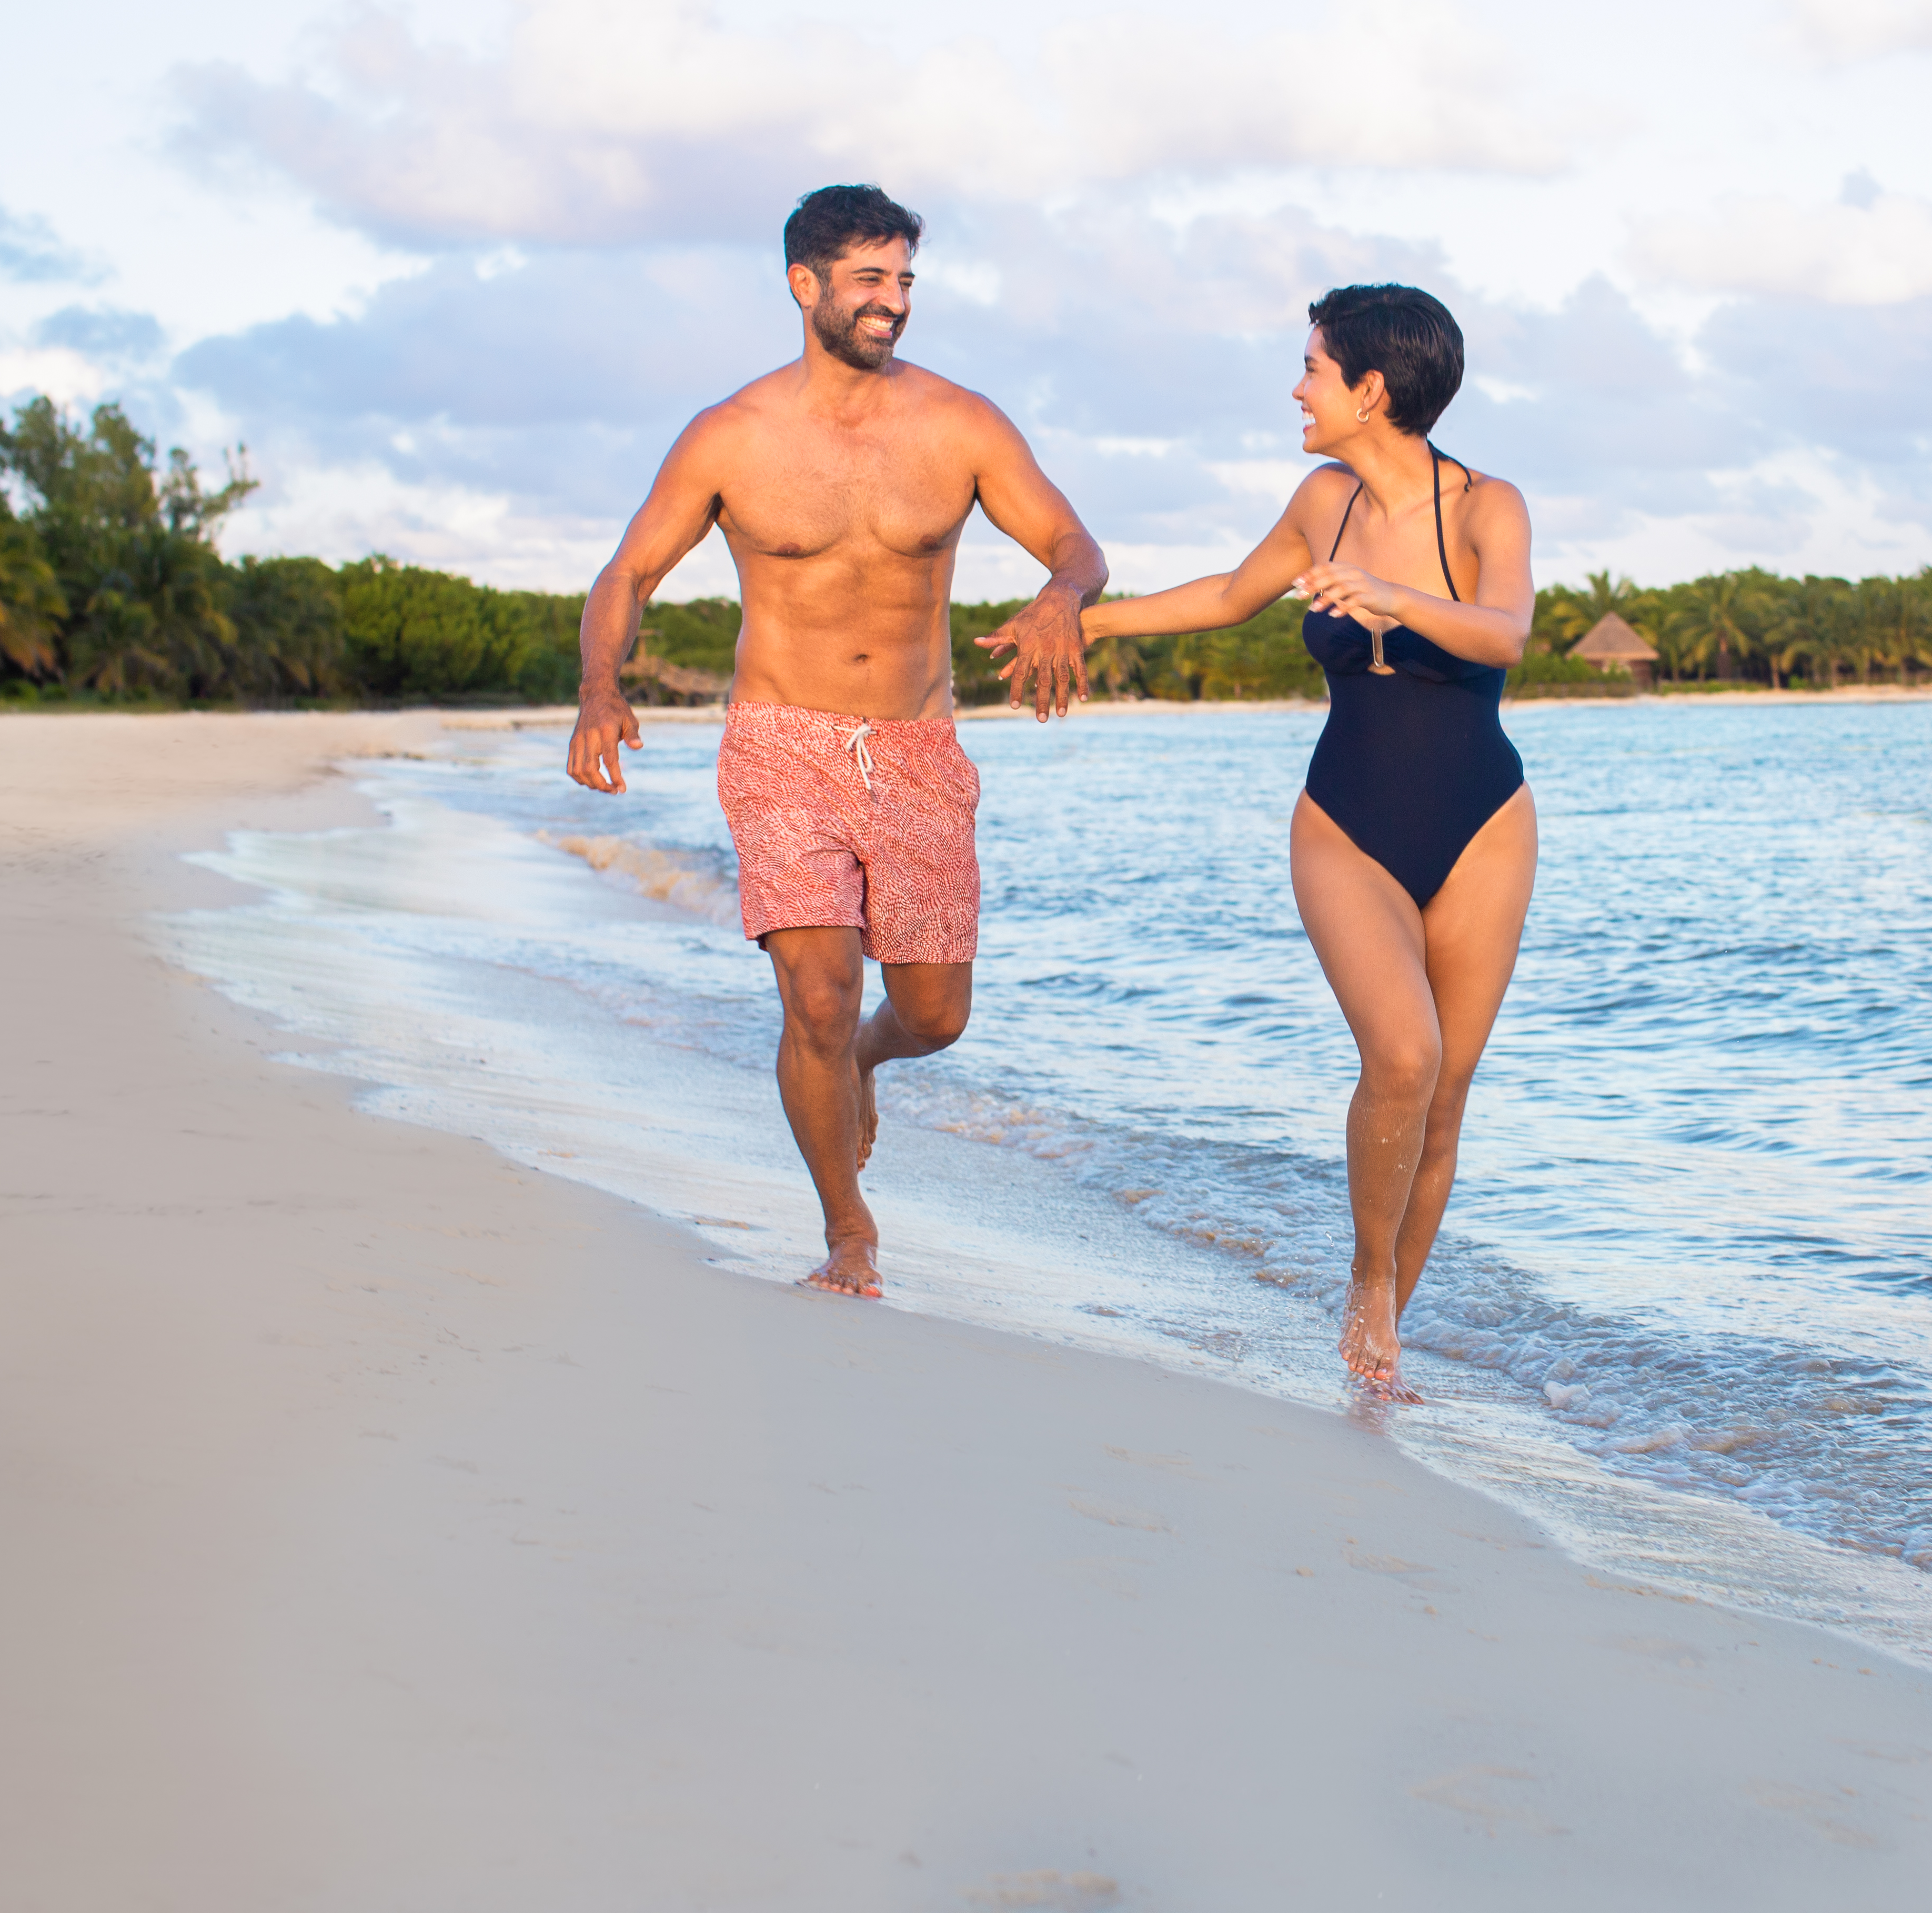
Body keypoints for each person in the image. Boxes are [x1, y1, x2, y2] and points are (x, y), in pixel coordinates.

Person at [567, 184, 1105, 1298]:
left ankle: (868, 1059)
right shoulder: (731, 436)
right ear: (804, 284)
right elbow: (629, 570)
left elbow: (1073, 539)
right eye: (870, 279)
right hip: (781, 743)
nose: (893, 302)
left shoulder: (961, 424)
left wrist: (1061, 595)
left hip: (916, 745)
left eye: (905, 279)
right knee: (814, 992)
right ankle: (848, 1231)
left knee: (933, 1015)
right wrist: (597, 686)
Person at [1044, 284, 1535, 1399]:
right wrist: (1077, 617)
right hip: (1346, 822)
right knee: (1402, 1057)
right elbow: (1227, 596)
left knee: (1448, 1092)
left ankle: (1382, 1352)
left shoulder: (1488, 509)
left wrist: (1394, 596)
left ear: (1372, 388)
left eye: (1313, 367)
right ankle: (1368, 1275)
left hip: (1486, 823)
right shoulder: (1324, 498)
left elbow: (1506, 628)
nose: (1298, 387)